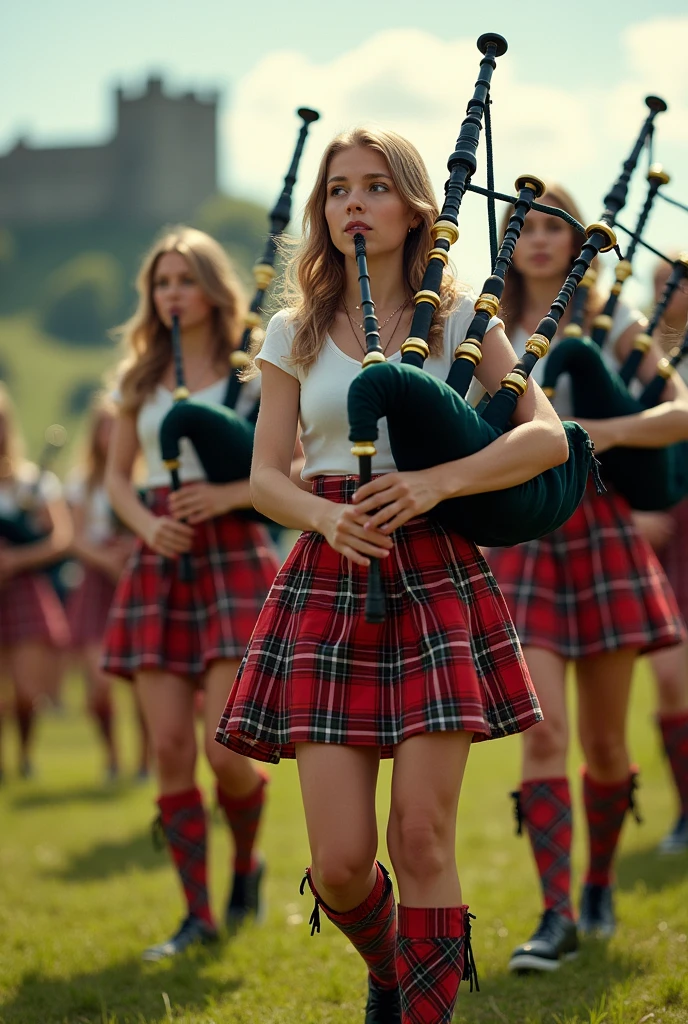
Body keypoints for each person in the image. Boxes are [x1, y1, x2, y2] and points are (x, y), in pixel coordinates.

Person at [215, 127, 568, 1024]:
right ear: (321, 210)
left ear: (415, 207)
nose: (352, 205)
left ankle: (421, 1005)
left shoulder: (458, 322)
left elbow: (546, 437)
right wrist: (325, 513)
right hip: (328, 574)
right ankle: (395, 966)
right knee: (338, 864)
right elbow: (265, 476)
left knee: (420, 831)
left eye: (374, 188)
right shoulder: (291, 328)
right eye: (338, 190)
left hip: (434, 571)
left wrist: (438, 480)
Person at [485, 185, 688, 973]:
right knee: (546, 734)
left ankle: (598, 883)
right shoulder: (483, 329)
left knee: (605, 742)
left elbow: (678, 413)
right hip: (528, 539)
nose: (537, 240)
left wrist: (591, 432)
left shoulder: (613, 327)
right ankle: (556, 913)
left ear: (579, 244)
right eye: (523, 227)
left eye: (553, 227)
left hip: (601, 536)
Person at [102, 226, 280, 960]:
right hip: (162, 562)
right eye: (161, 282)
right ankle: (195, 915)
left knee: (225, 751)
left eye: (184, 279)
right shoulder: (139, 378)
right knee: (170, 746)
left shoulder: (255, 368)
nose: (172, 293)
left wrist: (227, 494)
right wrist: (147, 525)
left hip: (233, 556)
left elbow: (289, 465)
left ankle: (246, 863)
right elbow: (118, 475)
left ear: (212, 288)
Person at [632, 254, 688, 853]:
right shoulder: (638, 356)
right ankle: (685, 807)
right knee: (671, 676)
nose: (664, 294)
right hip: (663, 524)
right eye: (657, 285)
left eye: (674, 283)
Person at [66, 393, 149, 782]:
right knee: (97, 682)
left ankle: (146, 761)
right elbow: (76, 537)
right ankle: (112, 757)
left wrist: (130, 553)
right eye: (105, 426)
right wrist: (107, 561)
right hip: (98, 583)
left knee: (144, 682)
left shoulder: (147, 478)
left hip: (137, 577)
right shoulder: (83, 484)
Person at [0, 383, 72, 779]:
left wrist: (15, 559)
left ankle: (25, 756)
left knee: (28, 691)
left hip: (23, 588)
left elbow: (60, 539)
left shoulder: (33, 481)